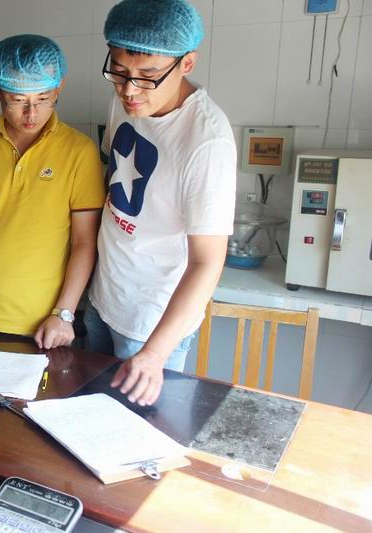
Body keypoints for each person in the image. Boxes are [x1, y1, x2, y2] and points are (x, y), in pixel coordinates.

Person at [86, 0, 236, 406]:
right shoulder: (126, 98)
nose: (130, 90)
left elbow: (207, 263)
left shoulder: (206, 143)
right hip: (102, 299)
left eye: (149, 76)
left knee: (139, 432)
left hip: (150, 325)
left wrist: (154, 354)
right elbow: (112, 179)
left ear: (187, 63)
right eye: (119, 71)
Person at [0, 34, 105, 350]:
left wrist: (64, 314)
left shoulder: (79, 151)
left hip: (44, 325)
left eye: (43, 99)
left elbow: (84, 242)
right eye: (18, 101)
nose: (32, 114)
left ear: (59, 88)